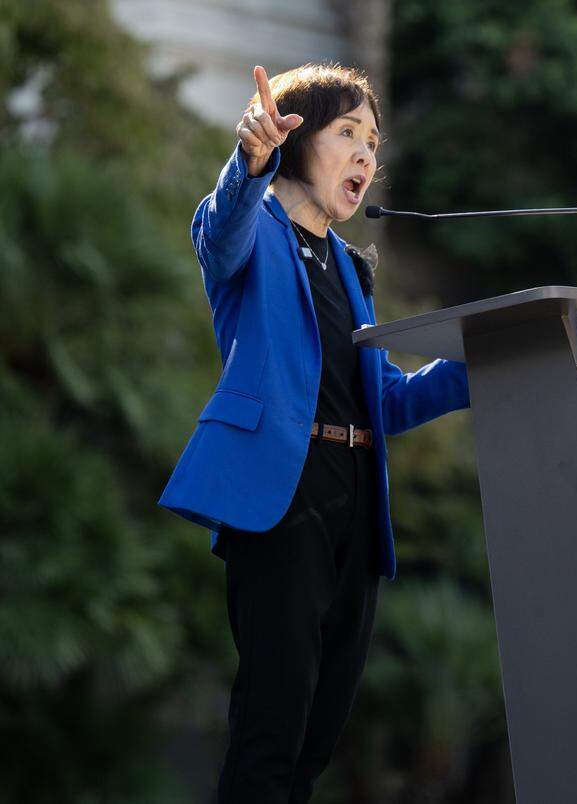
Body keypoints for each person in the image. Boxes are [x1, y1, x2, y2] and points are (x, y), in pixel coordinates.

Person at [158, 63, 470, 803]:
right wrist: (249, 160)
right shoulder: (250, 225)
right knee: (273, 723)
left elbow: (387, 401)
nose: (366, 154)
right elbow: (221, 232)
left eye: (374, 143)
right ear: (295, 139)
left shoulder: (352, 271)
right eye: (348, 133)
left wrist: (486, 358)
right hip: (283, 492)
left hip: (354, 501)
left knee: (318, 736)